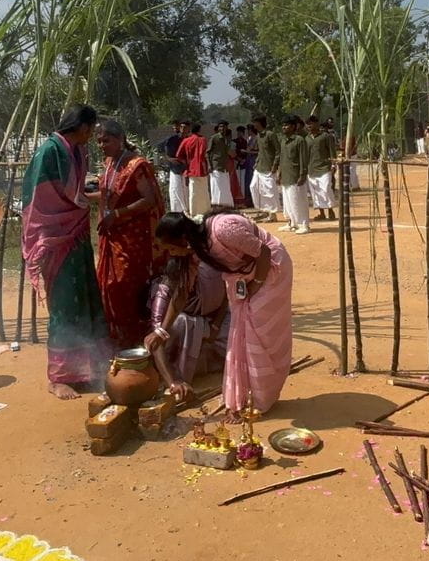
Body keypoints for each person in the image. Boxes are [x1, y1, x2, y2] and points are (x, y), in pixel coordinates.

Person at [155, 211, 293, 416]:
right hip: (243, 278)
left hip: (271, 268)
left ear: (183, 239)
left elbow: (264, 252)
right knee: (241, 333)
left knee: (260, 332)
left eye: (171, 248)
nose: (171, 254)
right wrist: (161, 332)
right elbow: (180, 295)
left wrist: (255, 284)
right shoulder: (195, 251)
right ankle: (245, 395)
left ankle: (262, 399)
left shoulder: (222, 230)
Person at [21, 104, 107, 400]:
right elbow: (40, 199)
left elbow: (75, 192)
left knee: (85, 298)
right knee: (64, 306)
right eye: (92, 129)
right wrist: (89, 198)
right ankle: (59, 377)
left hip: (76, 233)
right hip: (54, 238)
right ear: (83, 127)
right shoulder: (49, 151)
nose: (93, 135)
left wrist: (88, 197)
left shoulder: (77, 151)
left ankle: (86, 370)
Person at [94, 119, 162, 349]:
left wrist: (118, 214)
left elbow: (149, 200)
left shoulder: (136, 165)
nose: (102, 145)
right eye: (99, 141)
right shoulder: (109, 163)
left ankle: (137, 336)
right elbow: (108, 194)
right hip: (111, 234)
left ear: (120, 139)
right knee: (109, 284)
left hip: (133, 237)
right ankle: (120, 335)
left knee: (126, 283)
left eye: (106, 140)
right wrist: (83, 197)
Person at [142, 253, 229, 402]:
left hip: (211, 324)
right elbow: (157, 342)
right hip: (182, 338)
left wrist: (215, 326)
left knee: (237, 337)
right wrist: (172, 382)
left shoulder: (206, 275)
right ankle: (181, 374)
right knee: (184, 321)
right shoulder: (163, 293)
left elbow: (226, 294)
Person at [277, 115, 312, 234]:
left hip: (295, 176)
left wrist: (302, 175)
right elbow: (282, 158)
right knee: (288, 203)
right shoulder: (283, 141)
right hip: (286, 176)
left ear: (293, 127)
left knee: (298, 201)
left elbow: (303, 159)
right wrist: (279, 173)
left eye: (286, 125)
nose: (284, 127)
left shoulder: (299, 140)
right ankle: (292, 223)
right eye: (283, 125)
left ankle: (304, 225)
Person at [249, 115, 282, 222]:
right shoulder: (258, 136)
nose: (254, 125)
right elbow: (261, 151)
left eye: (255, 122)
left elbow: (278, 151)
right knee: (254, 187)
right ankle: (264, 210)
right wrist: (256, 162)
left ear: (260, 123)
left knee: (270, 191)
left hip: (269, 167)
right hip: (259, 167)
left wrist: (275, 165)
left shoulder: (270, 135)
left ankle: (272, 214)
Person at [306, 116, 337, 221]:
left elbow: (332, 152)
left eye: (311, 124)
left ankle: (330, 210)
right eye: (307, 124)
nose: (309, 126)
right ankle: (321, 213)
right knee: (316, 192)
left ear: (317, 124)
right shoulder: (307, 139)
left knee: (326, 189)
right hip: (311, 169)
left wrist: (333, 165)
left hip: (324, 168)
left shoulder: (326, 137)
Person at [177, 121, 211, 217]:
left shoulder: (186, 140)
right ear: (199, 130)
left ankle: (194, 213)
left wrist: (187, 163)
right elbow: (204, 154)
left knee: (193, 192)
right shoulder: (202, 139)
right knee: (204, 191)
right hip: (202, 169)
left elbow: (179, 155)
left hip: (191, 169)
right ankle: (206, 212)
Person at [206, 120, 236, 210]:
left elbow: (229, 153)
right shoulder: (214, 138)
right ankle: (217, 207)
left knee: (225, 188)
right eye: (220, 126)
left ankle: (226, 207)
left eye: (224, 127)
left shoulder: (226, 139)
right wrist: (209, 165)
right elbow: (207, 153)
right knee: (216, 188)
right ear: (218, 128)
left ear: (226, 128)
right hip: (216, 166)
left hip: (224, 167)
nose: (222, 128)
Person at [161, 119, 188, 215]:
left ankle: (187, 211)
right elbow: (161, 150)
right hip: (175, 169)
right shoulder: (171, 139)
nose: (176, 128)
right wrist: (169, 159)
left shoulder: (188, 139)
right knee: (176, 190)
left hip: (186, 169)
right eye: (175, 126)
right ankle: (177, 212)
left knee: (186, 191)